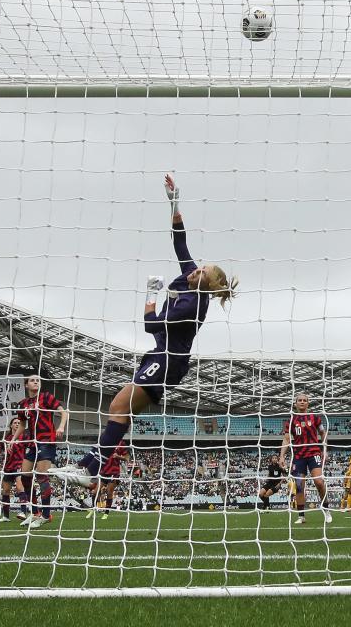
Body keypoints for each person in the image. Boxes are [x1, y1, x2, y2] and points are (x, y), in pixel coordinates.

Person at [51, 173, 236, 487]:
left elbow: (151, 325)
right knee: (121, 411)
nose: (195, 269)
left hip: (167, 360)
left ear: (204, 283)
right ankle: (88, 469)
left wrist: (151, 294)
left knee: (119, 406)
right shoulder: (188, 278)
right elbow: (180, 242)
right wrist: (175, 203)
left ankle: (88, 469)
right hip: (162, 357)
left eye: (201, 271)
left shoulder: (192, 305)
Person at [16, 375, 68, 529]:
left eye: (38, 380)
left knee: (41, 476)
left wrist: (61, 427)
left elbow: (63, 412)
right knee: (25, 475)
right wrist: (13, 440)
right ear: (26, 385)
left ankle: (46, 515)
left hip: (46, 440)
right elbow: (22, 425)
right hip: (32, 443)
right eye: (32, 380)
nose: (36, 381)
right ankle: (35, 512)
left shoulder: (46, 397)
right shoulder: (23, 404)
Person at [279, 393, 332, 525]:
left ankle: (326, 510)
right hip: (298, 456)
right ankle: (301, 516)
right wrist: (282, 456)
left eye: (305, 400)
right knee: (299, 485)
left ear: (308, 403)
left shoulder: (315, 418)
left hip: (314, 454)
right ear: (295, 403)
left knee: (319, 482)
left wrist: (325, 450)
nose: (302, 402)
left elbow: (323, 433)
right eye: (299, 400)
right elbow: (286, 439)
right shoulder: (291, 420)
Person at [0, 417, 29, 522]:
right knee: (6, 491)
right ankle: (6, 516)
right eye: (15, 423)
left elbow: (31, 447)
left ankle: (23, 512)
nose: (17, 424)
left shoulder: (24, 436)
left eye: (19, 423)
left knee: (20, 488)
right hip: (8, 466)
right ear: (11, 425)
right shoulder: (6, 438)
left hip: (20, 465)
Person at [87, 441, 129, 520]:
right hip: (103, 471)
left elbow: (127, 458)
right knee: (95, 492)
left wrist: (118, 456)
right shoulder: (106, 440)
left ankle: (106, 513)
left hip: (114, 471)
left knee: (109, 491)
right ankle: (93, 509)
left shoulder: (121, 443)